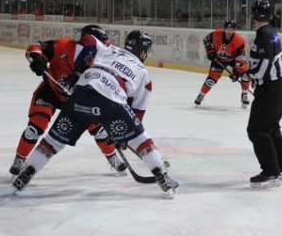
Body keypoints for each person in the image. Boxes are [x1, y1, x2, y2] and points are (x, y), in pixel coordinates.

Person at [12, 30, 179, 195]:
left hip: (82, 94)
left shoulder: (109, 48)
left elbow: (89, 40)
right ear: (142, 51)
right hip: (112, 101)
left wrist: (77, 70)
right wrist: (123, 137)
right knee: (140, 139)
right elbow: (137, 114)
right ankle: (162, 176)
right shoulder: (144, 74)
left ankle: (26, 174)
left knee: (52, 141)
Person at [9, 24, 126, 177]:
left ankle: (112, 158)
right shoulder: (62, 46)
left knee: (99, 130)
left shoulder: (102, 62)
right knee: (35, 128)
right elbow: (36, 47)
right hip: (50, 92)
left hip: (79, 100)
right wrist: (37, 58)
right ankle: (20, 159)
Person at [230, 0, 282, 189]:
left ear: (253, 15)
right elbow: (265, 62)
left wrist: (248, 74)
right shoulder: (271, 32)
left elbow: (264, 65)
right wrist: (246, 71)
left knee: (257, 130)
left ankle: (271, 171)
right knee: (271, 127)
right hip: (278, 86)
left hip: (271, 88)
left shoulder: (263, 35)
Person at [193, 20, 250, 108]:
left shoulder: (239, 41)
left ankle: (244, 95)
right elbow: (206, 39)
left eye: (231, 29)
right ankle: (201, 95)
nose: (229, 32)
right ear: (224, 29)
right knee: (211, 80)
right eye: (227, 29)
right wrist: (209, 50)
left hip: (233, 60)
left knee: (246, 73)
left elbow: (240, 57)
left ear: (234, 30)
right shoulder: (216, 34)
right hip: (218, 60)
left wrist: (237, 71)